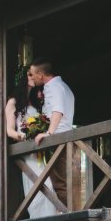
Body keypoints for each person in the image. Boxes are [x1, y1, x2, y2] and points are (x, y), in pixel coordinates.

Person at [4, 72, 59, 218]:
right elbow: (9, 130)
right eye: (30, 75)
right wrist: (23, 136)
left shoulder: (34, 102)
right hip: (27, 149)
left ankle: (49, 218)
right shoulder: (13, 102)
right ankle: (39, 218)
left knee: (48, 184)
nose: (33, 77)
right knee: (40, 183)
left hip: (39, 149)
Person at [29, 58, 74, 207]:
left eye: (32, 74)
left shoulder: (55, 87)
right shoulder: (60, 86)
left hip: (59, 139)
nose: (32, 78)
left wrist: (49, 133)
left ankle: (71, 214)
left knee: (60, 183)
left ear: (40, 74)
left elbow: (57, 110)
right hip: (62, 138)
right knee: (62, 182)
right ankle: (70, 212)